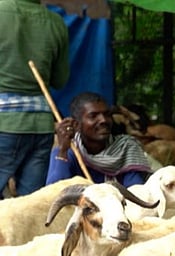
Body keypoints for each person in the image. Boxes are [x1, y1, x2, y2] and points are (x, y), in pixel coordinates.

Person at [0, 0, 69, 197]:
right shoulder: (56, 22)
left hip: (4, 122)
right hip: (41, 126)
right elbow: (60, 80)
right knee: (30, 203)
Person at [46, 91, 151, 187]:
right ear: (76, 124)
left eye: (107, 114)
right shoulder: (68, 152)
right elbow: (54, 191)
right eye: (93, 116)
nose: (103, 120)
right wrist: (62, 151)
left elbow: (136, 190)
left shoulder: (126, 148)